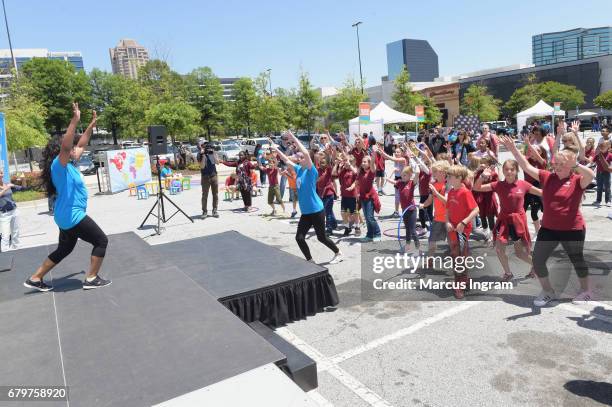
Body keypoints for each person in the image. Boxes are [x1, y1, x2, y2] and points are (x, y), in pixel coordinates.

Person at [501, 135, 595, 306]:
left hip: (572, 229)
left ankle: (586, 291)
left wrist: (575, 164)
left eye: (561, 164)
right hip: (549, 228)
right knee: (537, 260)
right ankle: (548, 291)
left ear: (569, 165)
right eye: (555, 163)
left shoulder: (576, 180)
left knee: (576, 259)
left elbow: (591, 174)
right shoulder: (547, 177)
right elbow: (526, 166)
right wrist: (514, 149)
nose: (556, 167)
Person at [25, 104, 110, 292]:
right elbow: (66, 146)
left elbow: (82, 143)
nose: (75, 149)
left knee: (64, 249)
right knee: (101, 241)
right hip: (72, 216)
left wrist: (91, 125)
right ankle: (91, 278)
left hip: (65, 216)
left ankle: (35, 278)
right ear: (62, 151)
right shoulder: (59, 165)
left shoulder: (70, 163)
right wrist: (74, 120)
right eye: (71, 148)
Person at [272, 132, 343, 264]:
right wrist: (274, 148)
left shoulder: (312, 171)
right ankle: (310, 261)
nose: (299, 157)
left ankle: (338, 253)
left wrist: (293, 137)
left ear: (308, 159)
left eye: (302, 157)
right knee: (299, 238)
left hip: (316, 210)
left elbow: (304, 152)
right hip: (306, 212)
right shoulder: (299, 169)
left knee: (321, 237)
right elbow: (285, 159)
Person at [474, 160, 541, 281]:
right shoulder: (498, 185)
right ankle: (508, 273)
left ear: (516, 171)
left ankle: (537, 266)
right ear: (503, 171)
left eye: (512, 169)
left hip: (517, 222)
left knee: (520, 253)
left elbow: (543, 193)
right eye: (506, 169)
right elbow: (477, 187)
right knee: (499, 249)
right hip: (503, 220)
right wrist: (483, 176)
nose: (509, 171)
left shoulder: (523, 184)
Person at [445, 165, 480, 299]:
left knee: (459, 257)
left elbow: (476, 210)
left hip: (463, 230)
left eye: (450, 177)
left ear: (459, 178)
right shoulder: (452, 192)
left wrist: (464, 222)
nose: (448, 179)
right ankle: (464, 279)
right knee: (457, 256)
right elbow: (447, 210)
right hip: (452, 229)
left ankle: (459, 284)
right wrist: (447, 221)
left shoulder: (465, 192)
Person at [421, 160, 450, 266]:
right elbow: (429, 200)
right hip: (437, 218)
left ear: (443, 172)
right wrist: (423, 205)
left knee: (453, 243)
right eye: (433, 171)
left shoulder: (448, 184)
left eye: (435, 171)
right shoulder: (433, 184)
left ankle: (458, 263)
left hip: (449, 219)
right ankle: (430, 259)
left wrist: (436, 192)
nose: (433, 173)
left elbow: (446, 201)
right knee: (431, 240)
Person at [386, 166, 419, 254]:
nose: (402, 177)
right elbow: (388, 180)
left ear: (409, 175)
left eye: (404, 175)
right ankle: (407, 246)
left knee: (412, 230)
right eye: (402, 175)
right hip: (404, 210)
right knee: (407, 229)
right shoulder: (399, 183)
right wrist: (393, 171)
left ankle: (418, 248)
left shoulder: (412, 183)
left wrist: (417, 168)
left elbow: (417, 175)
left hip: (411, 210)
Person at [472, 156, 498, 244]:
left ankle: (493, 233)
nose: (483, 164)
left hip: (489, 196)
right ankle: (485, 233)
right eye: (481, 162)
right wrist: (477, 170)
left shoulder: (493, 173)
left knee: (490, 215)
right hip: (480, 197)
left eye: (485, 163)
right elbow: (472, 181)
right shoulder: (478, 173)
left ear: (489, 164)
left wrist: (489, 174)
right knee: (482, 215)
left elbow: (496, 184)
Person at [333, 154, 359, 236]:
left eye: (347, 162)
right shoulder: (343, 170)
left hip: (352, 195)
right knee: (343, 213)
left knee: (354, 213)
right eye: (345, 162)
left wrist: (352, 186)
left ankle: (357, 227)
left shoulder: (354, 170)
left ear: (351, 162)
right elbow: (334, 175)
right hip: (344, 195)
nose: (345, 163)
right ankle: (347, 228)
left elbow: (357, 176)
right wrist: (338, 165)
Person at [358, 152, 382, 242]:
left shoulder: (371, 172)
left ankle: (377, 233)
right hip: (363, 197)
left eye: (365, 162)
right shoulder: (360, 172)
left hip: (370, 197)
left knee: (370, 217)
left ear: (369, 163)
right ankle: (369, 235)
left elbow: (372, 164)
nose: (363, 163)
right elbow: (357, 182)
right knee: (367, 218)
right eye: (362, 161)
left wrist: (374, 154)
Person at [0, 169, 25, 251]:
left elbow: (23, 188)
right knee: (5, 235)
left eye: (1, 173)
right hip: (4, 214)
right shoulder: (7, 186)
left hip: (14, 211)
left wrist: (23, 179)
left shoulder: (7, 184)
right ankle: (5, 250)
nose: (0, 175)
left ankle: (16, 248)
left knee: (15, 232)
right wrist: (5, 188)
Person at [316, 155, 337, 235]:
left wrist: (332, 153)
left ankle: (329, 229)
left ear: (327, 164)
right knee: (329, 210)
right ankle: (334, 223)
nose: (321, 164)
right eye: (320, 162)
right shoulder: (318, 170)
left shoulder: (328, 170)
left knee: (325, 212)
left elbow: (332, 160)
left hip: (329, 194)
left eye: (323, 163)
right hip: (320, 194)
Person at [198, 142, 219, 218]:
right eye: (207, 148)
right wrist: (203, 155)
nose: (209, 150)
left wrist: (213, 154)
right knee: (205, 195)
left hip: (213, 176)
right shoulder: (200, 154)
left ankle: (215, 210)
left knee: (215, 194)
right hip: (205, 177)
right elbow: (202, 167)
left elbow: (217, 162)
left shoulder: (214, 153)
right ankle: (204, 211)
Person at [592, 140, 612, 206]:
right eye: (600, 146)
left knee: (607, 187)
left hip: (606, 172)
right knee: (599, 187)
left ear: (608, 147)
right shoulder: (598, 155)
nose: (602, 148)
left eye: (603, 146)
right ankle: (598, 200)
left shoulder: (610, 155)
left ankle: (608, 200)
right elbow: (592, 162)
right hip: (599, 172)